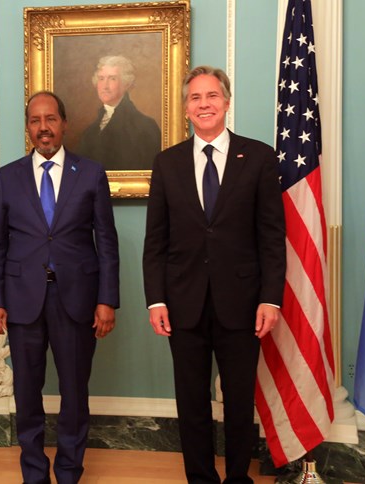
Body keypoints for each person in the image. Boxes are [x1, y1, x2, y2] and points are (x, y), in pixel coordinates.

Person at [142, 66, 286, 483]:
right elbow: (156, 241)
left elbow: (271, 237)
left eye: (211, 96)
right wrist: (156, 299)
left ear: (226, 101)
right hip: (182, 303)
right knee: (191, 403)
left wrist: (270, 298)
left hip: (243, 304)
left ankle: (238, 478)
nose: (203, 104)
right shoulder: (167, 163)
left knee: (239, 402)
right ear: (186, 108)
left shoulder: (258, 157)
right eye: (195, 98)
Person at [0, 91, 120, 484]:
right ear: (28, 127)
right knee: (27, 394)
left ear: (64, 123)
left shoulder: (90, 173)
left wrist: (107, 300)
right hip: (22, 301)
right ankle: (34, 474)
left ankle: (70, 472)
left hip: (76, 300)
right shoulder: (7, 177)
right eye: (35, 120)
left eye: (50, 119)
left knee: (75, 392)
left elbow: (106, 242)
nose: (43, 127)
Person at [77, 55, 161, 171]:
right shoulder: (90, 131)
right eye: (101, 79)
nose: (105, 86)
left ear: (126, 83)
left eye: (112, 79)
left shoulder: (145, 127)